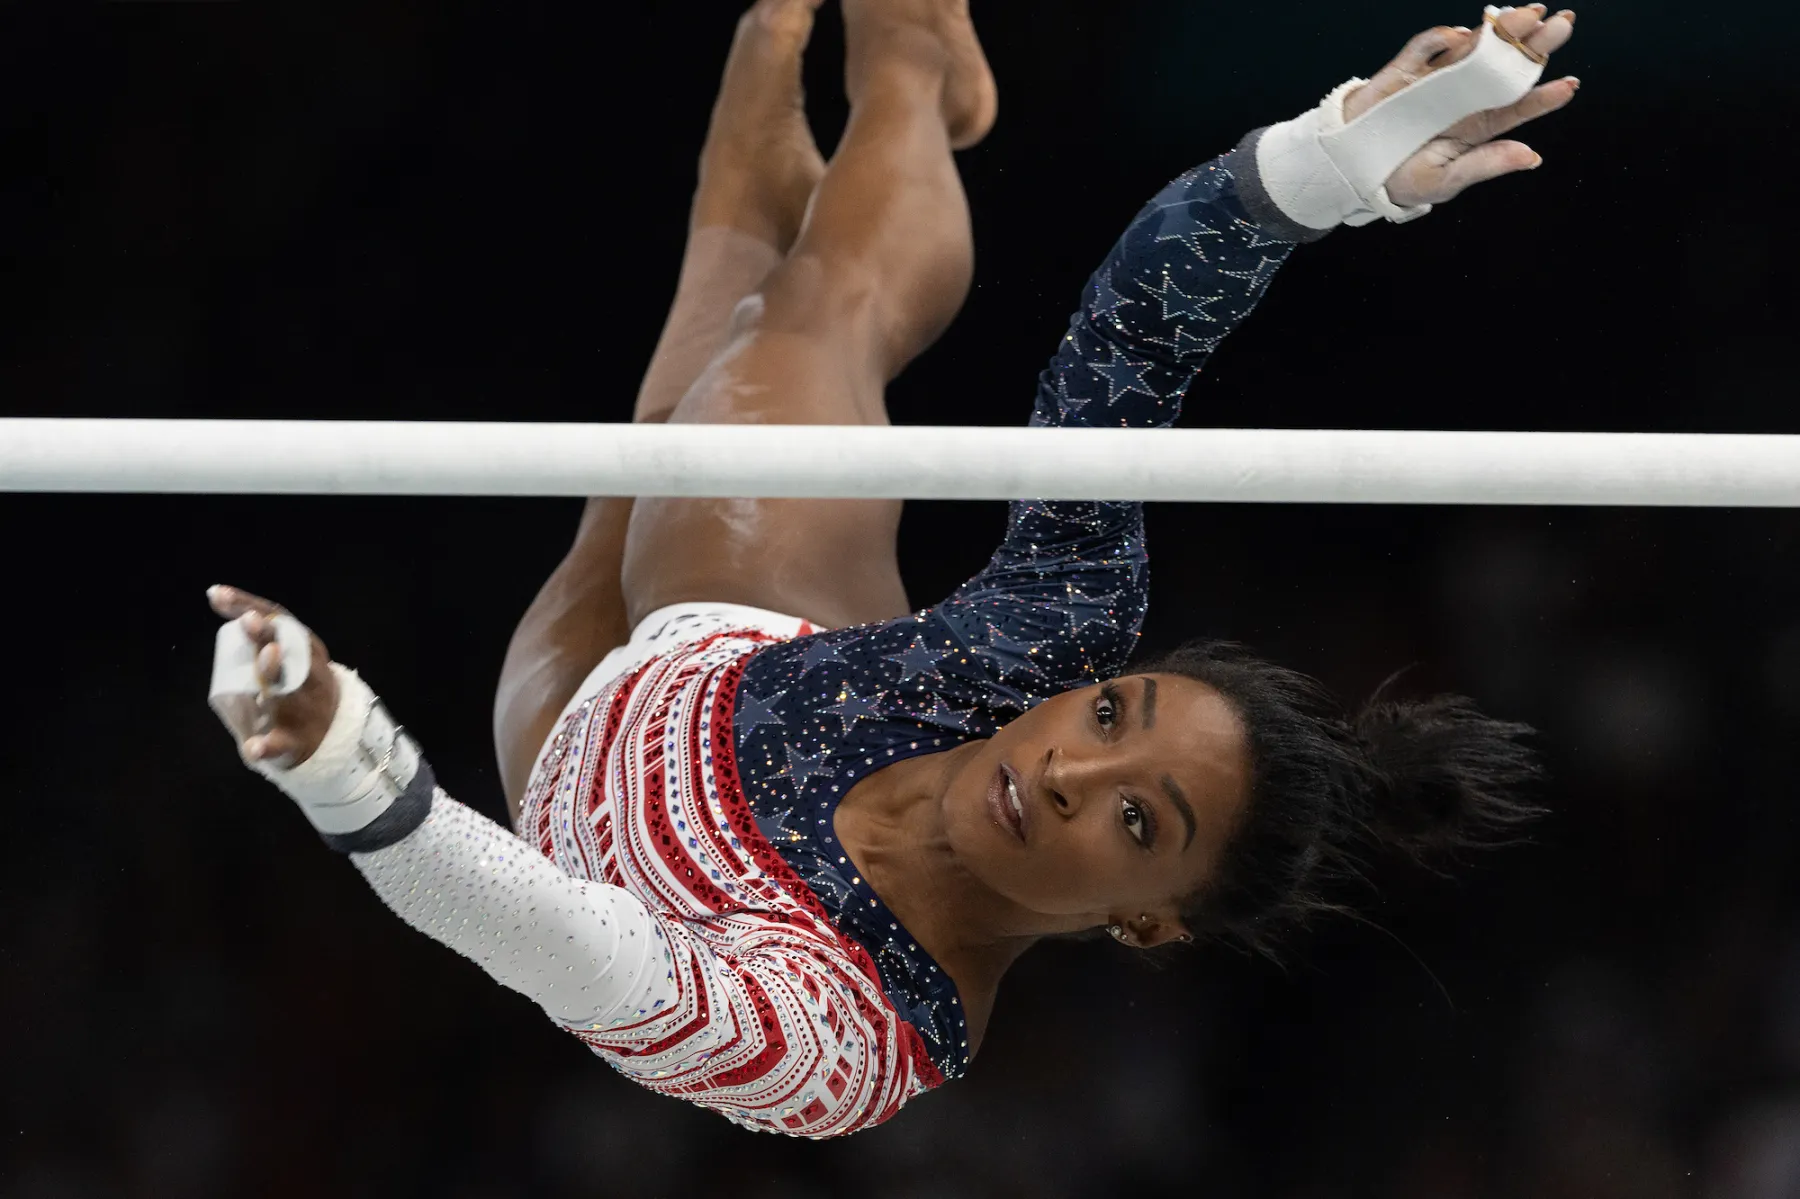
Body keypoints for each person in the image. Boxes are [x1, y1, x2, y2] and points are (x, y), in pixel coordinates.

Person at [207, 0, 1576, 1138]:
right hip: (737, 634)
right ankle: (916, 78)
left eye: (1141, 824)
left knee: (680, 376)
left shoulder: (846, 1039)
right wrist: (1329, 167)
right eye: (1114, 714)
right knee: (814, 312)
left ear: (1147, 924)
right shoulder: (1054, 636)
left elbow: (569, 946)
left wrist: (350, 769)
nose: (1066, 769)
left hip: (569, 773)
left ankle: (747, 207)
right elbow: (1127, 346)